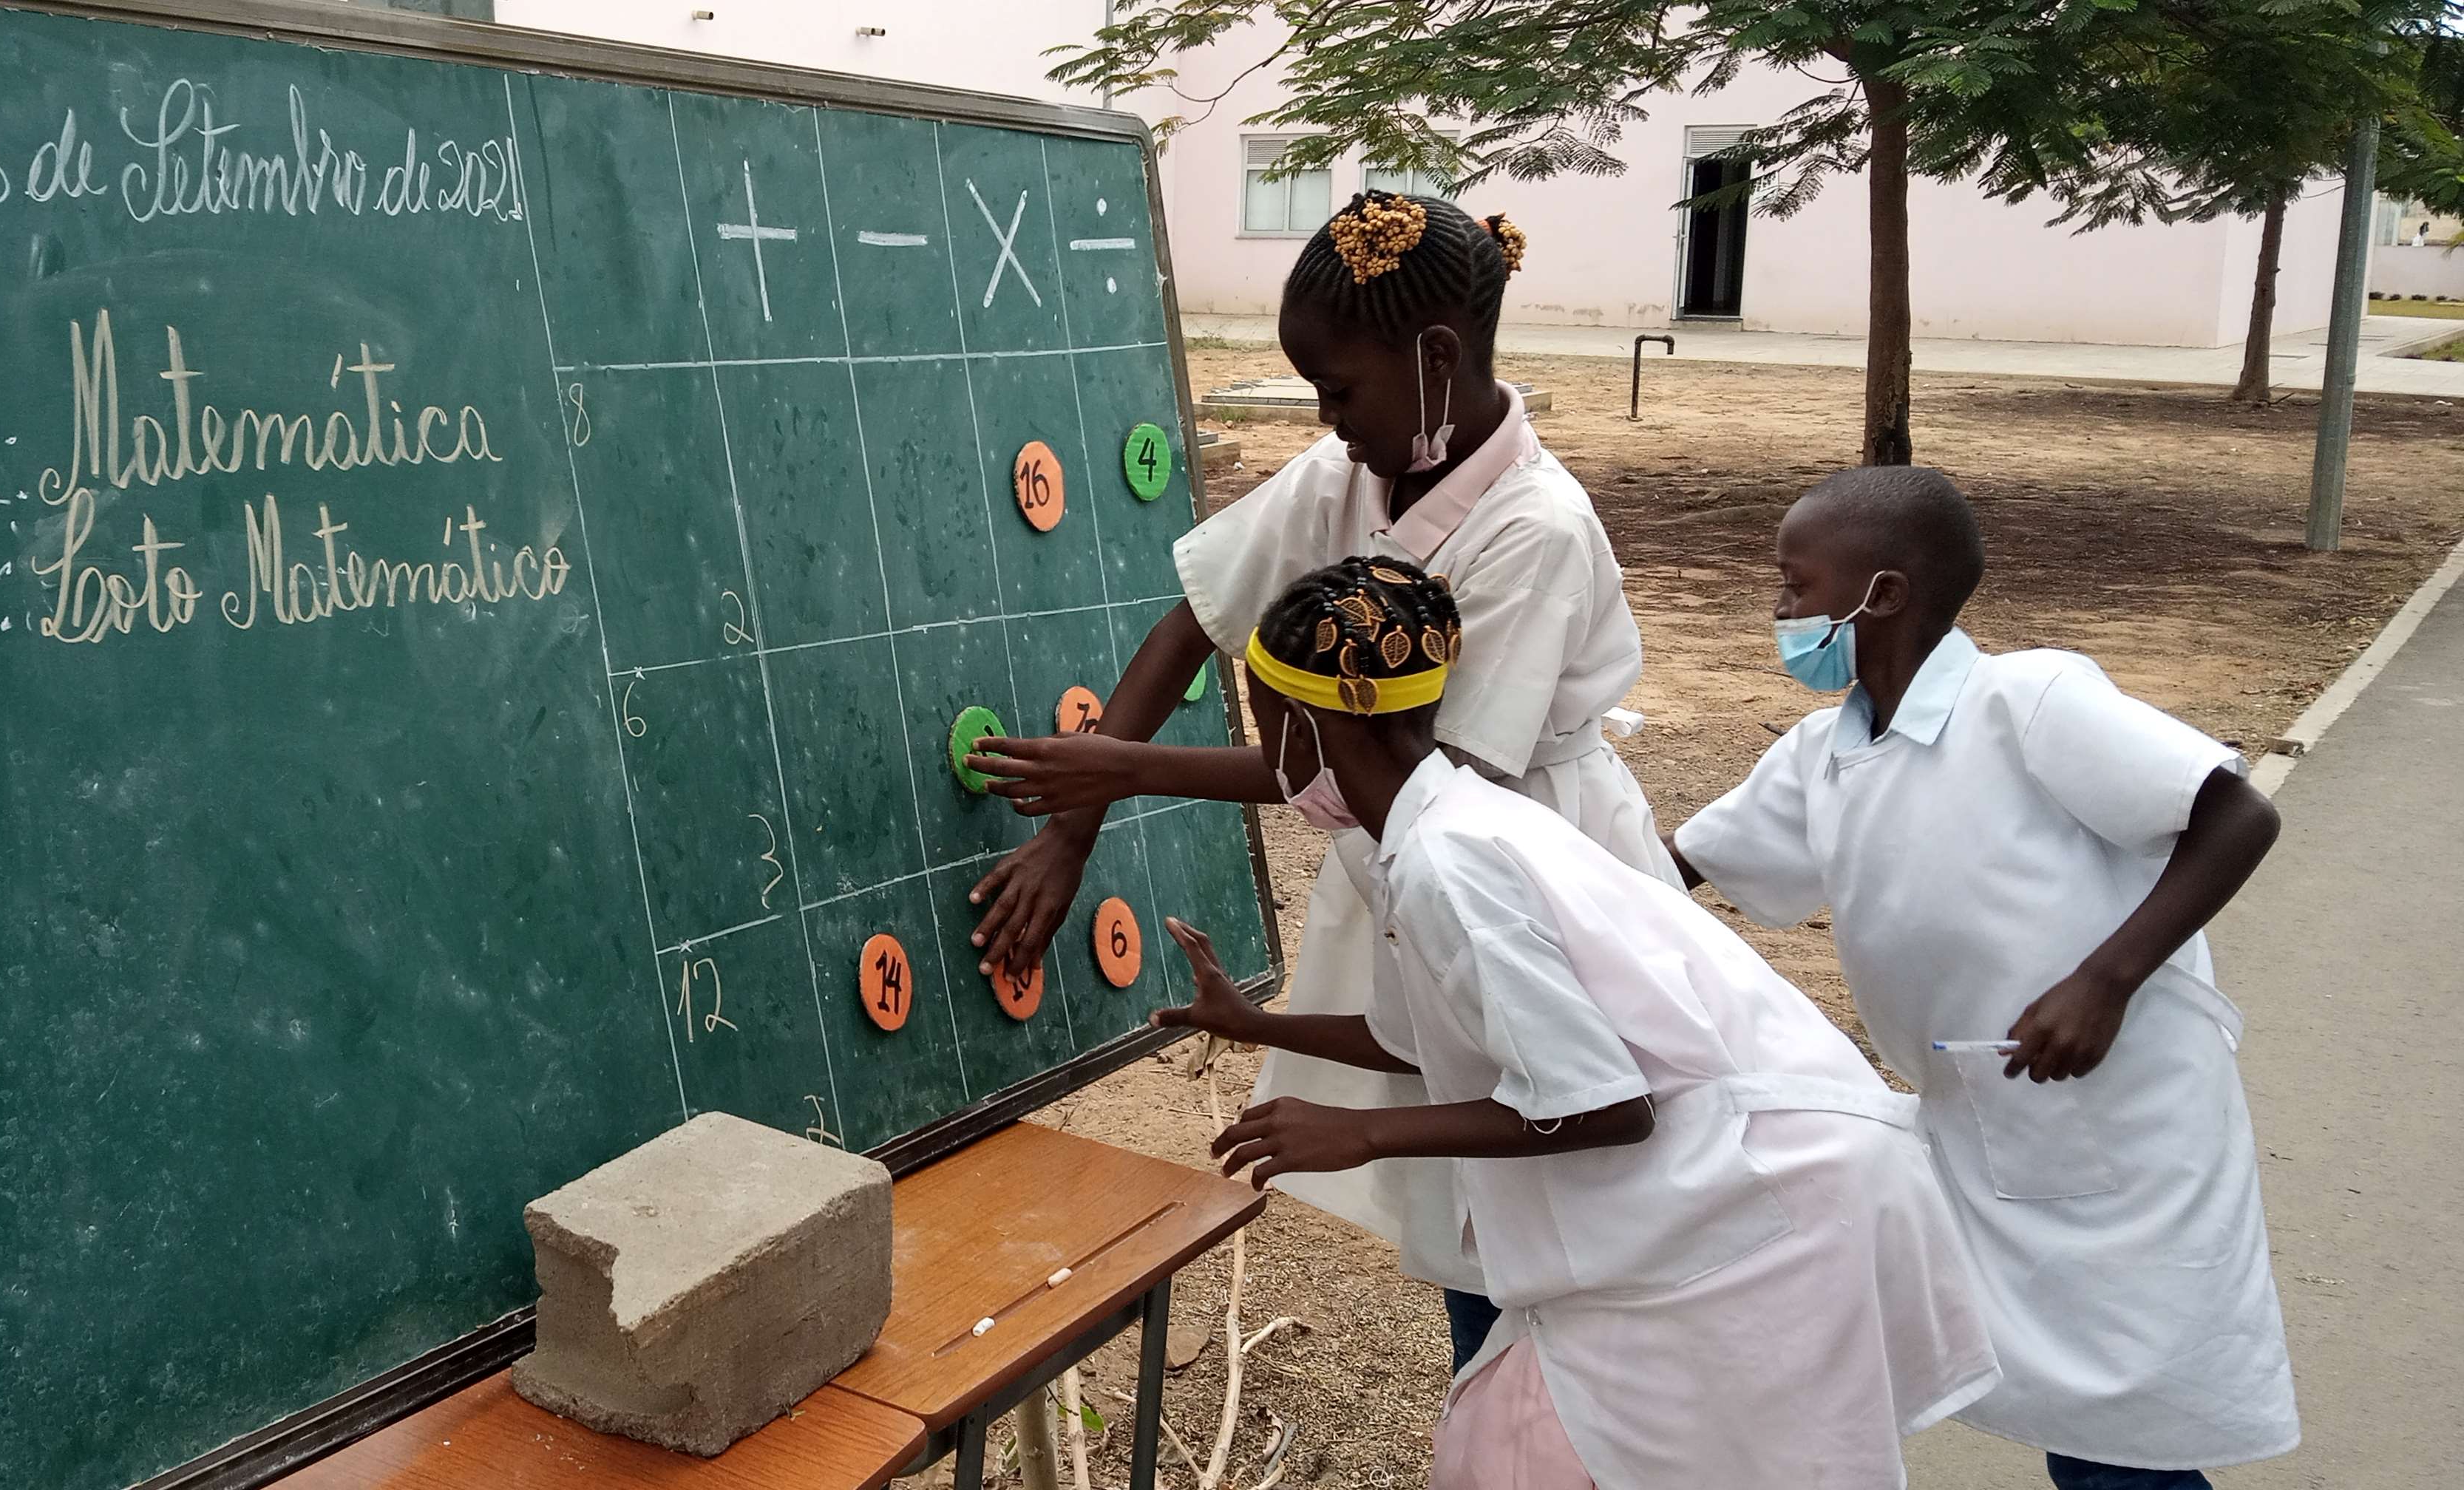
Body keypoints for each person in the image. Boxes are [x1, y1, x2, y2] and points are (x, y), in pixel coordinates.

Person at [960, 190, 1671, 1367]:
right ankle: (1499, 1396)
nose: (1327, 421)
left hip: (1526, 852)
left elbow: (1422, 777)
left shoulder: (1533, 530)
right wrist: (1072, 837)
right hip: (1412, 846)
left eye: (1339, 391)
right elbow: (1197, 618)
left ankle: (1543, 1407)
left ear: (1436, 359)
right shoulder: (1357, 468)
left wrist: (1127, 769)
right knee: (1476, 1192)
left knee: (1553, 1187)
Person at [1157, 557, 1995, 1490]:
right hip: (1748, 1188)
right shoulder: (1438, 830)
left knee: (1528, 1452)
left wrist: (1361, 1132)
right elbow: (1422, 1040)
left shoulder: (1452, 860)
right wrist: (1258, 1025)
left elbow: (1604, 1107)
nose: (1268, 755)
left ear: (1303, 722)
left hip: (1765, 1210)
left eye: (1265, 722)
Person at [1669, 466, 2298, 1490]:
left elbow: (2238, 814)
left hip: (2122, 1116)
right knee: (2040, 1401)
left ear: (1885, 593)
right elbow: (1681, 866)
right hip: (1982, 1120)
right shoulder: (1825, 752)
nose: (1779, 612)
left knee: (2124, 1436)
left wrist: (2105, 980)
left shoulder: (2029, 701)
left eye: (1795, 585)